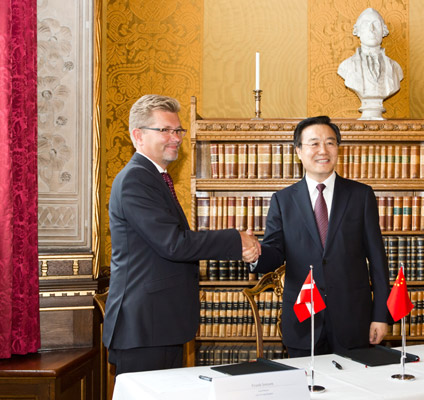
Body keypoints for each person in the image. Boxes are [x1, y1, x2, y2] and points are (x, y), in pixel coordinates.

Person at [103, 94, 260, 375]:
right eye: (165, 130)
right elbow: (174, 244)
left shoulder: (155, 177)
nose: (175, 137)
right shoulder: (136, 180)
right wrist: (237, 240)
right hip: (145, 328)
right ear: (138, 135)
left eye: (178, 130)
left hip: (159, 324)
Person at [251, 116, 389, 357]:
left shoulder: (361, 195)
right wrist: (254, 254)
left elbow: (378, 261)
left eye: (330, 143)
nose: (323, 150)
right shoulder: (282, 201)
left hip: (353, 322)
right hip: (304, 320)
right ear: (299, 151)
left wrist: (380, 316)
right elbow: (274, 254)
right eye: (314, 143)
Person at [338, 8, 404, 120]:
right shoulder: (346, 66)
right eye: (365, 25)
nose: (371, 29)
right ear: (357, 31)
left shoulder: (395, 68)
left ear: (383, 31)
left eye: (376, 24)